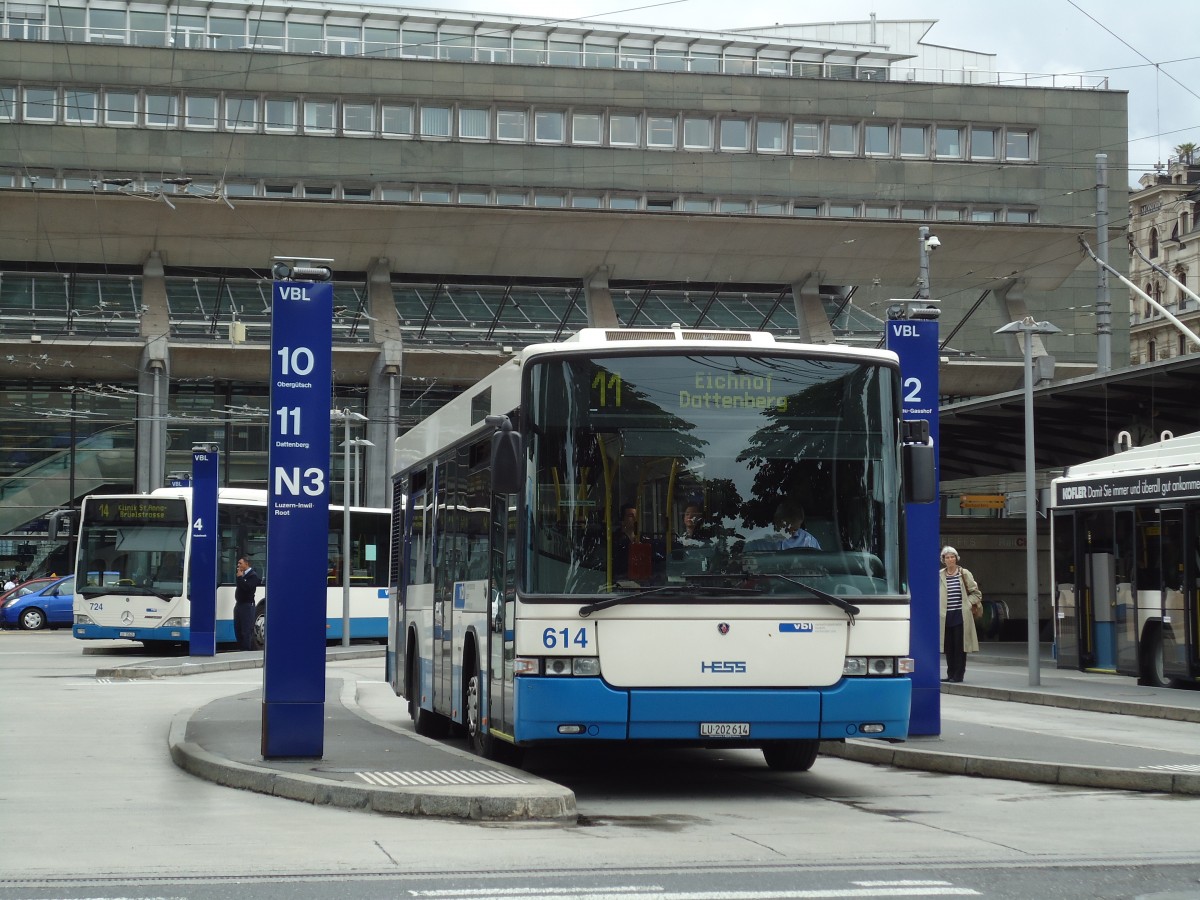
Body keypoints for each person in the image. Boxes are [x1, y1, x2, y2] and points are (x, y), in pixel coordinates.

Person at [939, 545, 983, 683]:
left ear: (956, 558)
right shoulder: (940, 575)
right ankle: (950, 673)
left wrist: (968, 604)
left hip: (960, 615)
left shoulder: (964, 573)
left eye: (952, 557)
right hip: (945, 616)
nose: (950, 560)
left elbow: (976, 594)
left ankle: (959, 675)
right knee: (948, 647)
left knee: (960, 646)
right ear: (943, 560)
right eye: (947, 557)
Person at [234, 556, 262, 652]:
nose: (238, 565)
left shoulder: (253, 576)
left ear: (247, 564)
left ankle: (246, 649)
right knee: (238, 627)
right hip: (239, 605)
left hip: (247, 605)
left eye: (240, 563)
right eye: (238, 563)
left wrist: (240, 578)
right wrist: (240, 577)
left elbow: (247, 588)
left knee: (246, 629)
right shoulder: (241, 575)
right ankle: (241, 647)